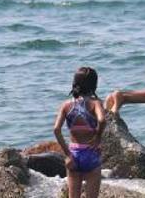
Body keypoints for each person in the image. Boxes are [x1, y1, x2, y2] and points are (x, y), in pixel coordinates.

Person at [53, 67, 107, 198]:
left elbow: (56, 129)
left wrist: (67, 154)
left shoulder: (66, 105)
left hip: (74, 155)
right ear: (94, 85)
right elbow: (102, 120)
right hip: (91, 154)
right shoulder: (95, 104)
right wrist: (98, 137)